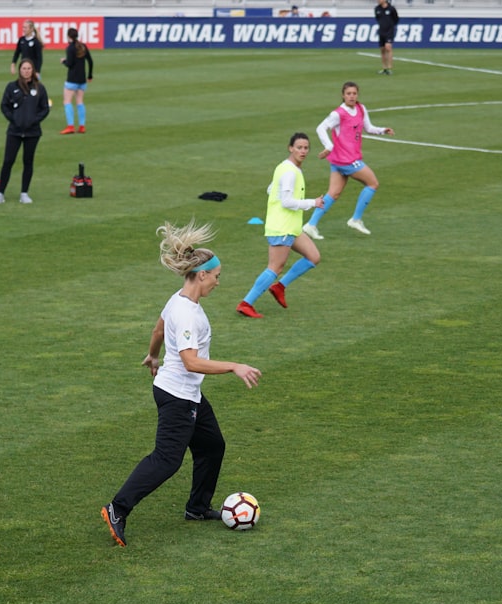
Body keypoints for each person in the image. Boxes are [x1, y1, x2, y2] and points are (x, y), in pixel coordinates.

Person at [100, 221, 262, 547]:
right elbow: (190, 361)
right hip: (178, 396)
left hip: (186, 392)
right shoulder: (187, 312)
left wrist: (152, 356)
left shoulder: (177, 299)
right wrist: (234, 366)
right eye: (216, 276)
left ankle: (197, 508)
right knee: (167, 459)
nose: (218, 281)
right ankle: (117, 508)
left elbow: (159, 328)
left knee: (212, 446)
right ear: (201, 275)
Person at [236, 133, 324, 319]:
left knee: (313, 256)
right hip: (282, 227)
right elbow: (286, 201)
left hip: (291, 226)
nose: (303, 151)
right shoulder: (290, 172)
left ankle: (279, 287)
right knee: (275, 267)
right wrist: (313, 203)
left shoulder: (286, 168)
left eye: (306, 148)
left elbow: (271, 189)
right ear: (290, 148)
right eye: (299, 147)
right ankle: (246, 303)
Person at [302, 81, 394, 240]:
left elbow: (368, 128)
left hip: (340, 160)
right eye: (348, 94)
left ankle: (310, 225)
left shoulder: (361, 108)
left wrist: (382, 130)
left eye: (354, 93)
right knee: (372, 183)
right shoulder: (338, 113)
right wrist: (329, 145)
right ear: (343, 95)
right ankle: (356, 219)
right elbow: (320, 128)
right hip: (346, 159)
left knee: (333, 193)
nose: (352, 96)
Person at [0, 59, 49, 205]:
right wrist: (13, 119)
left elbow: (45, 108)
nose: (26, 71)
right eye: (24, 68)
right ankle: (0, 193)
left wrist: (34, 120)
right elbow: (4, 105)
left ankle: (24, 193)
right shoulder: (12, 87)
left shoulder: (39, 88)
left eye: (29, 68)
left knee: (28, 162)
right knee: (8, 161)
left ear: (33, 70)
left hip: (33, 132)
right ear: (19, 70)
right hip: (14, 131)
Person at [58, 27, 93, 135]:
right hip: (82, 79)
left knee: (67, 101)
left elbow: (70, 64)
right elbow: (90, 61)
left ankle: (70, 126)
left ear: (68, 36)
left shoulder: (70, 48)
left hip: (72, 79)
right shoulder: (83, 46)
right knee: (80, 102)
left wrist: (64, 61)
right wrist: (90, 75)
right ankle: (82, 126)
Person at [375, 0, 399, 75]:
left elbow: (396, 19)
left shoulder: (391, 8)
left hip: (389, 31)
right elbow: (378, 18)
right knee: (382, 50)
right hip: (381, 31)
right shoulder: (377, 9)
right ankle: (384, 68)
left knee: (388, 47)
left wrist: (390, 26)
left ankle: (389, 68)